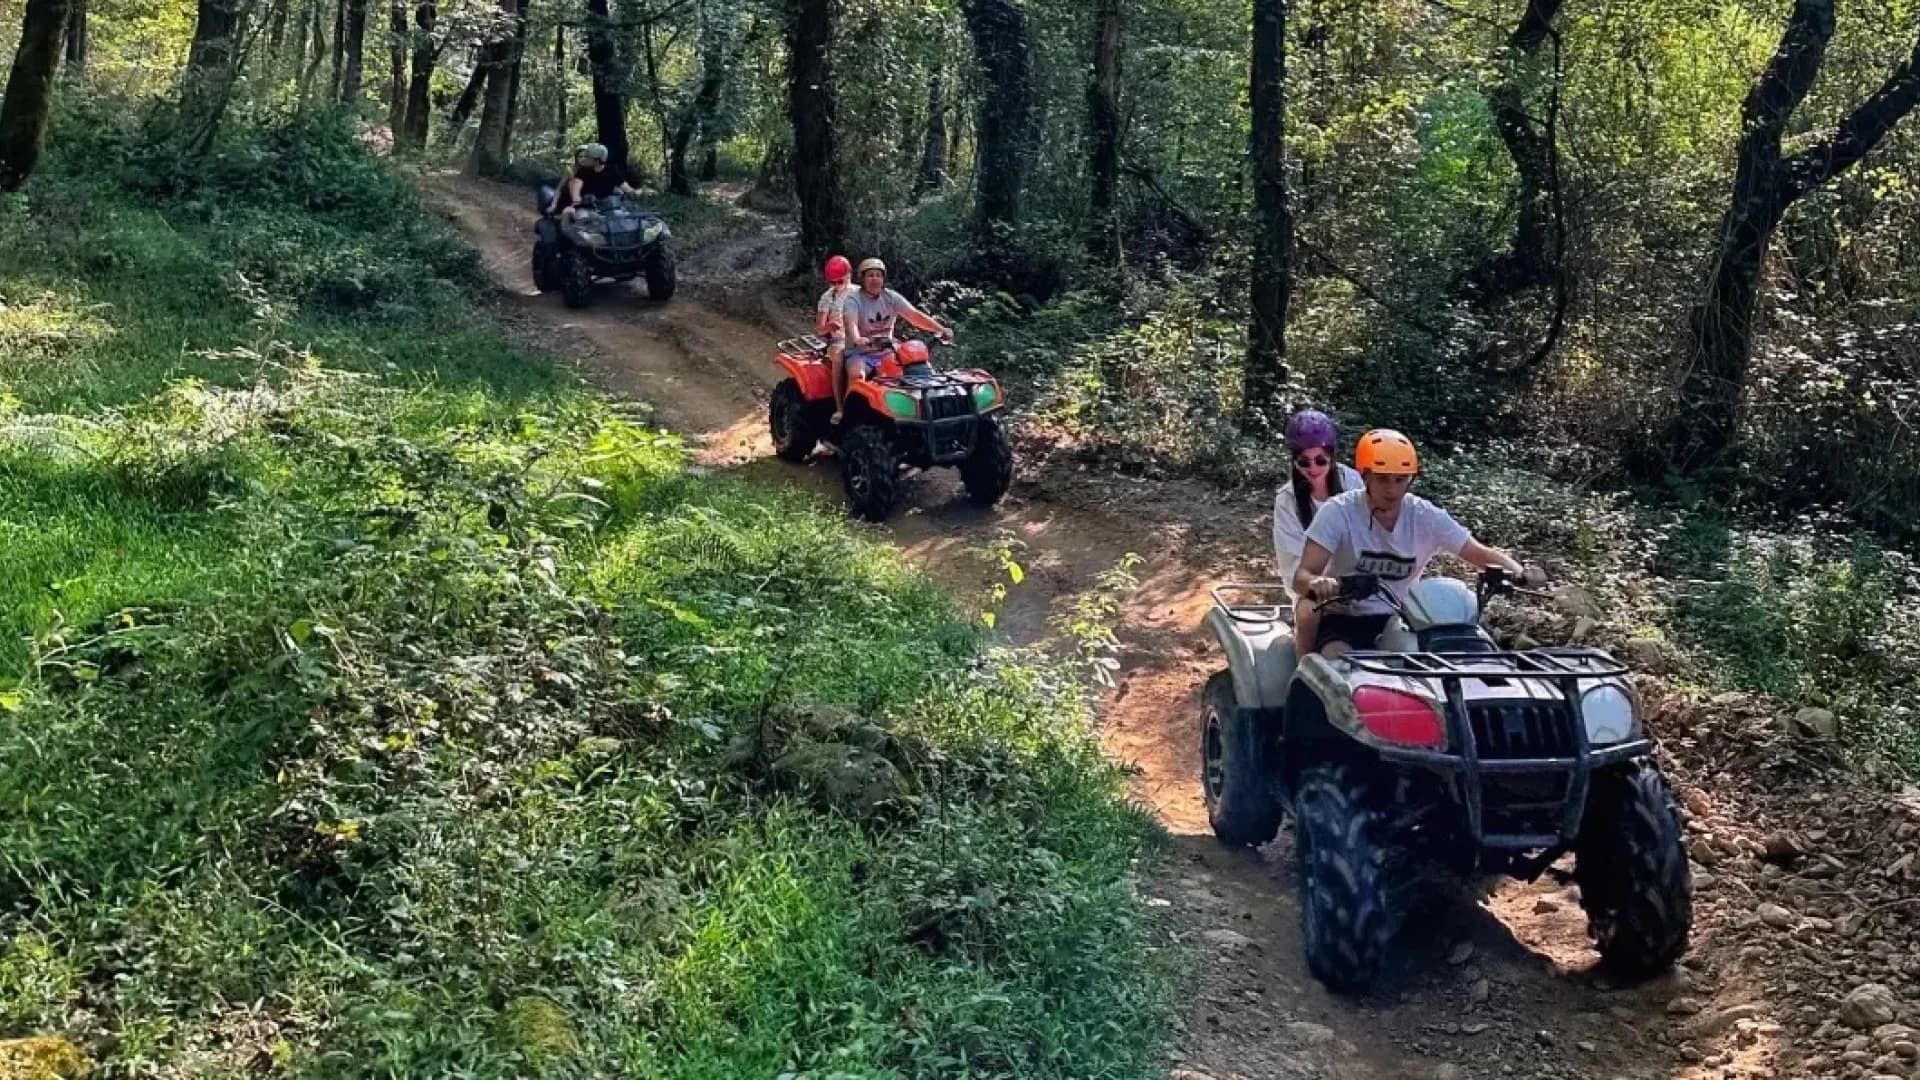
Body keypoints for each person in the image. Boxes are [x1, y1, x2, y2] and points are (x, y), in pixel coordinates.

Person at [1291, 429, 1542, 657]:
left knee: (1468, 658)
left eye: (1400, 480)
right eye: (1383, 479)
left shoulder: (1424, 515)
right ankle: (1301, 681)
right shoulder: (1339, 512)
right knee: (1339, 667)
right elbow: (1302, 576)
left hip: (1406, 620)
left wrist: (1520, 572)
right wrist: (1320, 583)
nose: (1391, 489)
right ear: (1365, 476)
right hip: (1345, 617)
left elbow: (1477, 552)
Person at [1273, 409, 1363, 654]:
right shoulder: (1288, 499)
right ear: (1294, 460)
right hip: (1317, 592)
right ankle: (1302, 675)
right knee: (1308, 613)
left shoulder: (1353, 483)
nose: (1313, 469)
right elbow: (1292, 565)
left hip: (1361, 587)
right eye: (1304, 461)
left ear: (1332, 457)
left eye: (1320, 460)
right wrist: (1320, 586)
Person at [836, 258, 953, 424]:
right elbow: (851, 323)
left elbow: (914, 316)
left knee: (915, 374)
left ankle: (925, 413)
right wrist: (858, 339)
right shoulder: (853, 300)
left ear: (883, 279)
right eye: (870, 275)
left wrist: (940, 329)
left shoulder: (891, 297)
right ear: (862, 279)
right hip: (860, 352)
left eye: (878, 275)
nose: (875, 279)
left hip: (887, 351)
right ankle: (848, 420)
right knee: (857, 375)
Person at [547, 143, 638, 220]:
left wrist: (636, 193)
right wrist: (576, 201)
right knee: (581, 218)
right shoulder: (582, 172)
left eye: (588, 157)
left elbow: (625, 187)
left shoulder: (612, 171)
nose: (585, 159)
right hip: (585, 207)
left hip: (607, 208)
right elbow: (575, 190)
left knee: (624, 220)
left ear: (596, 160)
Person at [816, 255, 856, 420]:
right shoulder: (827, 298)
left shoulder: (860, 293)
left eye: (840, 281)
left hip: (859, 337)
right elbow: (820, 329)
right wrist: (830, 326)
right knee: (839, 359)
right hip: (837, 340)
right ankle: (840, 408)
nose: (836, 286)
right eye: (832, 282)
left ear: (849, 275)